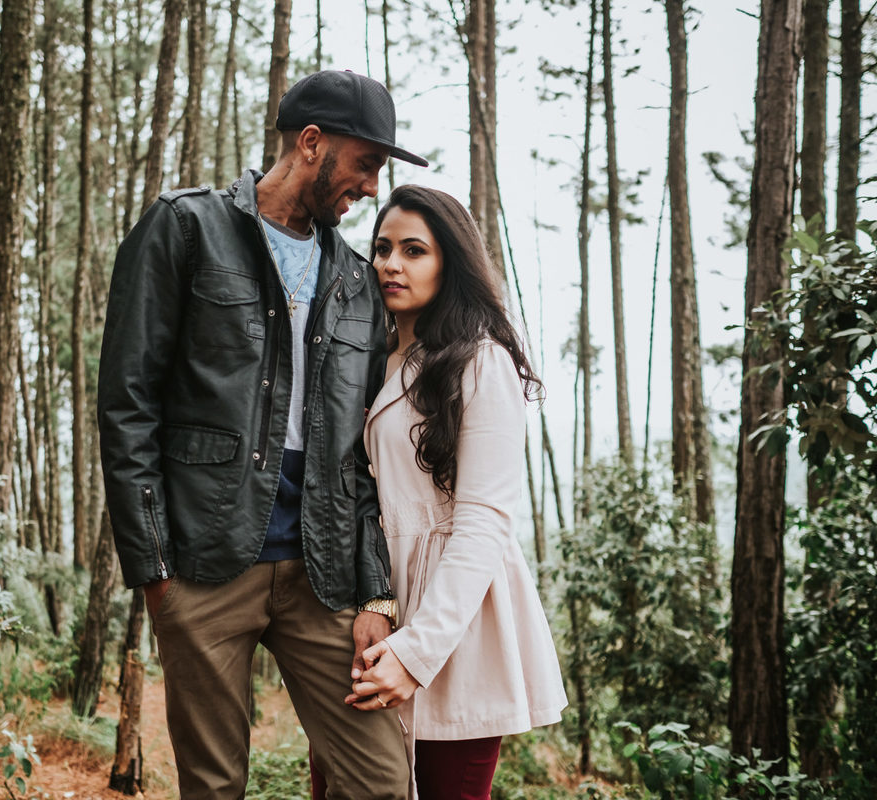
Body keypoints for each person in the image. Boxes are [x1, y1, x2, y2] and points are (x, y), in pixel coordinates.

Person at [97, 71, 428, 800]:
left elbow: (364, 452)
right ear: (311, 144)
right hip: (202, 566)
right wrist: (154, 571)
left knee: (380, 782)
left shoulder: (354, 278)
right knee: (214, 788)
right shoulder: (185, 226)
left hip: (326, 572)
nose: (372, 188)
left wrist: (376, 596)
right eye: (366, 164)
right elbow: (128, 403)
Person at [345, 185, 568, 800]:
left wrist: (416, 653)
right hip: (371, 613)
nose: (391, 264)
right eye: (383, 248)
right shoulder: (367, 358)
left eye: (414, 250)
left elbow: (483, 525)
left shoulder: (480, 361)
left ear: (451, 263)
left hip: (456, 625)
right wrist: (372, 602)